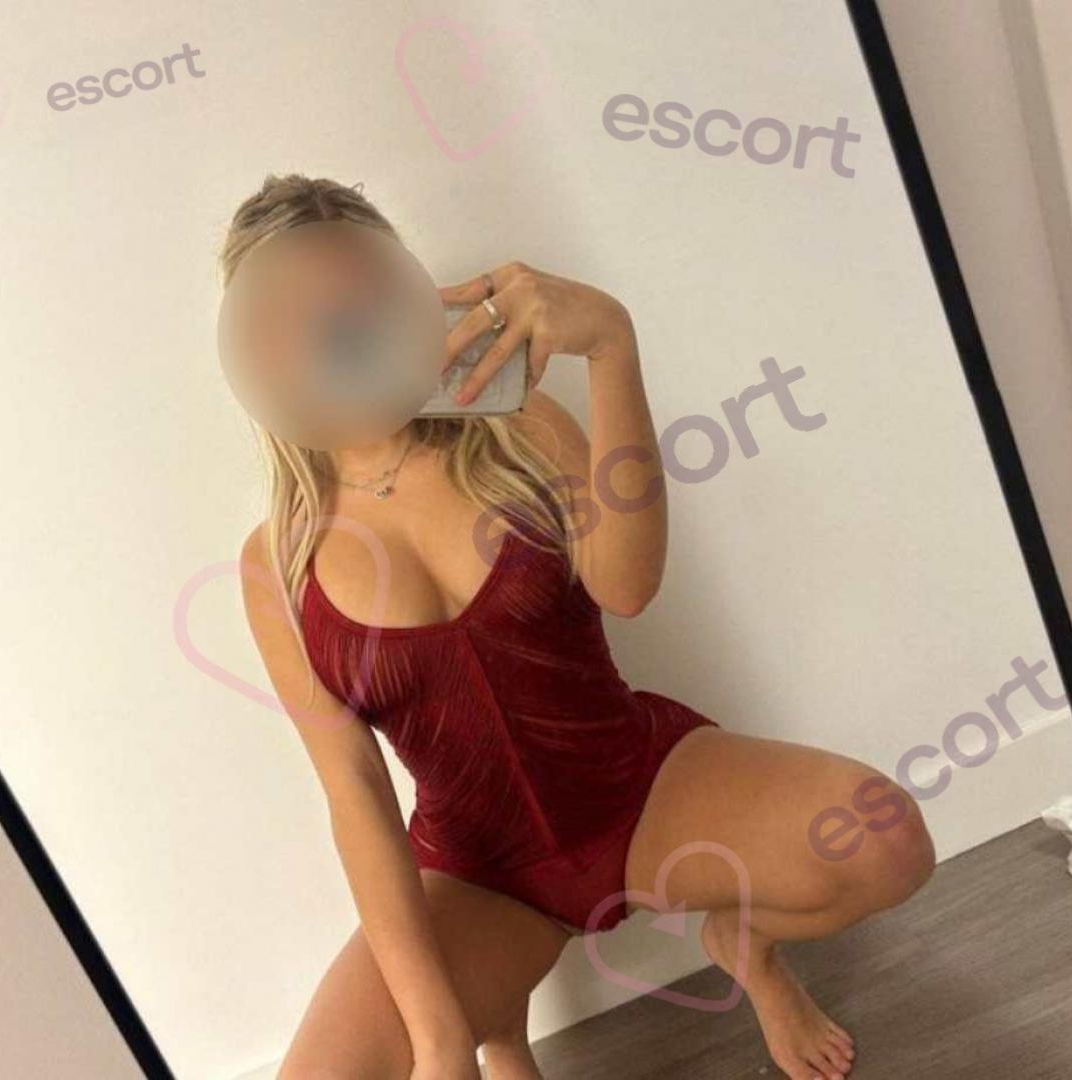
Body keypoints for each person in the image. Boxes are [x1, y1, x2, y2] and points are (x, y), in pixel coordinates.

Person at [229, 174, 936, 1080]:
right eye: (309, 316)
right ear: (259, 351)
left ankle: (746, 949)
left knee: (886, 844)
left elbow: (628, 586)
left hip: (639, 789)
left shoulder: (517, 426)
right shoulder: (278, 562)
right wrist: (439, 1036)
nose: (345, 330)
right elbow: (355, 794)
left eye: (363, 296)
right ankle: (499, 1030)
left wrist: (610, 345)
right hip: (483, 875)